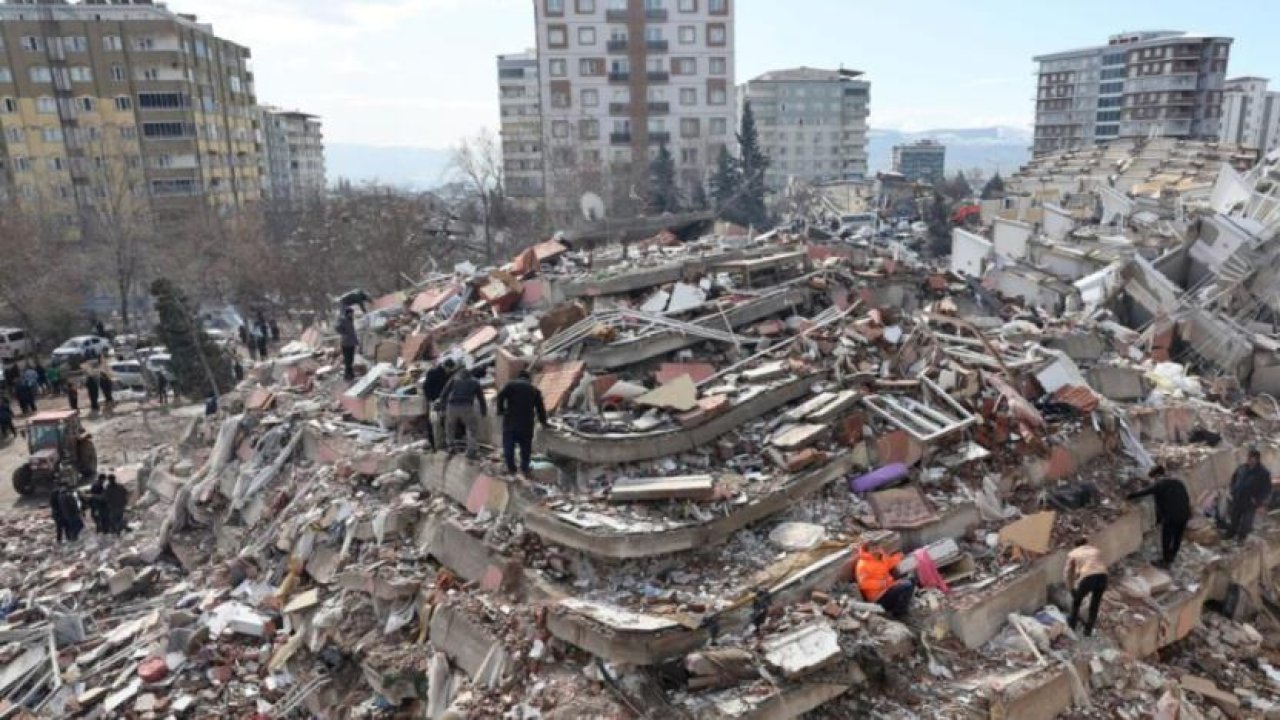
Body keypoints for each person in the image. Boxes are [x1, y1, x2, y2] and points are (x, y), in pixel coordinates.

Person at [1127, 465, 1191, 567]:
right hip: (1185, 514)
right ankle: (1172, 556)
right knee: (1178, 536)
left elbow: (1144, 492)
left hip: (1171, 517)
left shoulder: (1160, 484)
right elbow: (1186, 498)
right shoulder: (1178, 482)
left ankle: (1166, 561)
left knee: (1166, 537)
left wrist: (1129, 496)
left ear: (1156, 476)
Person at [496, 370, 548, 476]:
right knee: (525, 447)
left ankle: (511, 468)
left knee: (508, 445)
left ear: (518, 377)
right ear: (529, 379)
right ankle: (524, 468)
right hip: (526, 423)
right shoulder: (534, 390)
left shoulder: (510, 385)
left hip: (511, 421)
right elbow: (540, 409)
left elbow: (500, 396)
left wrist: (501, 410)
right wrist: (544, 422)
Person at [1224, 448, 1272, 542]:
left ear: (1257, 459)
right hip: (1238, 498)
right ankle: (1231, 533)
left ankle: (1242, 538)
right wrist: (1233, 490)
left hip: (1250, 501)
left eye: (1251, 458)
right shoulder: (1242, 468)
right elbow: (1234, 479)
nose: (1249, 459)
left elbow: (1266, 489)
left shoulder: (1263, 473)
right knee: (1234, 517)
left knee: (1246, 521)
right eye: (1248, 457)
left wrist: (1258, 501)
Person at [440, 362, 487, 458]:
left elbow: (444, 394)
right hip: (467, 407)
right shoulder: (475, 382)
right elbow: (481, 398)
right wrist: (483, 410)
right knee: (471, 428)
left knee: (450, 427)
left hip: (452, 406)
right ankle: (471, 451)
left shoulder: (454, 379)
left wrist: (442, 408)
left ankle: (451, 447)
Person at [856, 543, 914, 618]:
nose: (876, 550)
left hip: (888, 588)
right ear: (867, 550)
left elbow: (889, 563)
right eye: (873, 548)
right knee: (907, 585)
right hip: (878, 597)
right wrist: (882, 583)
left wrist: (898, 556)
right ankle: (898, 614)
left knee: (912, 578)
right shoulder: (862, 564)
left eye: (877, 546)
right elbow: (863, 584)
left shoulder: (880, 556)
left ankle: (899, 607)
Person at [1064, 539, 1108, 637]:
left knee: (1077, 601)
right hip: (1103, 577)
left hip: (1088, 577)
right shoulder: (1095, 550)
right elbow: (1097, 565)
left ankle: (1072, 624)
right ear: (1086, 544)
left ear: (1076, 546)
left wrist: (1071, 588)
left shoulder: (1073, 554)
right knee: (1095, 604)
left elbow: (1068, 573)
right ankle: (1088, 630)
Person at [336, 307, 358, 381]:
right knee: (348, 360)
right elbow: (337, 327)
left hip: (351, 343)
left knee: (351, 359)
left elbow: (352, 332)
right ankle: (347, 375)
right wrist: (344, 333)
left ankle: (351, 374)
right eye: (351, 313)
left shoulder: (350, 320)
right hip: (346, 343)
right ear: (348, 313)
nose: (352, 314)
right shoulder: (343, 319)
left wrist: (356, 341)